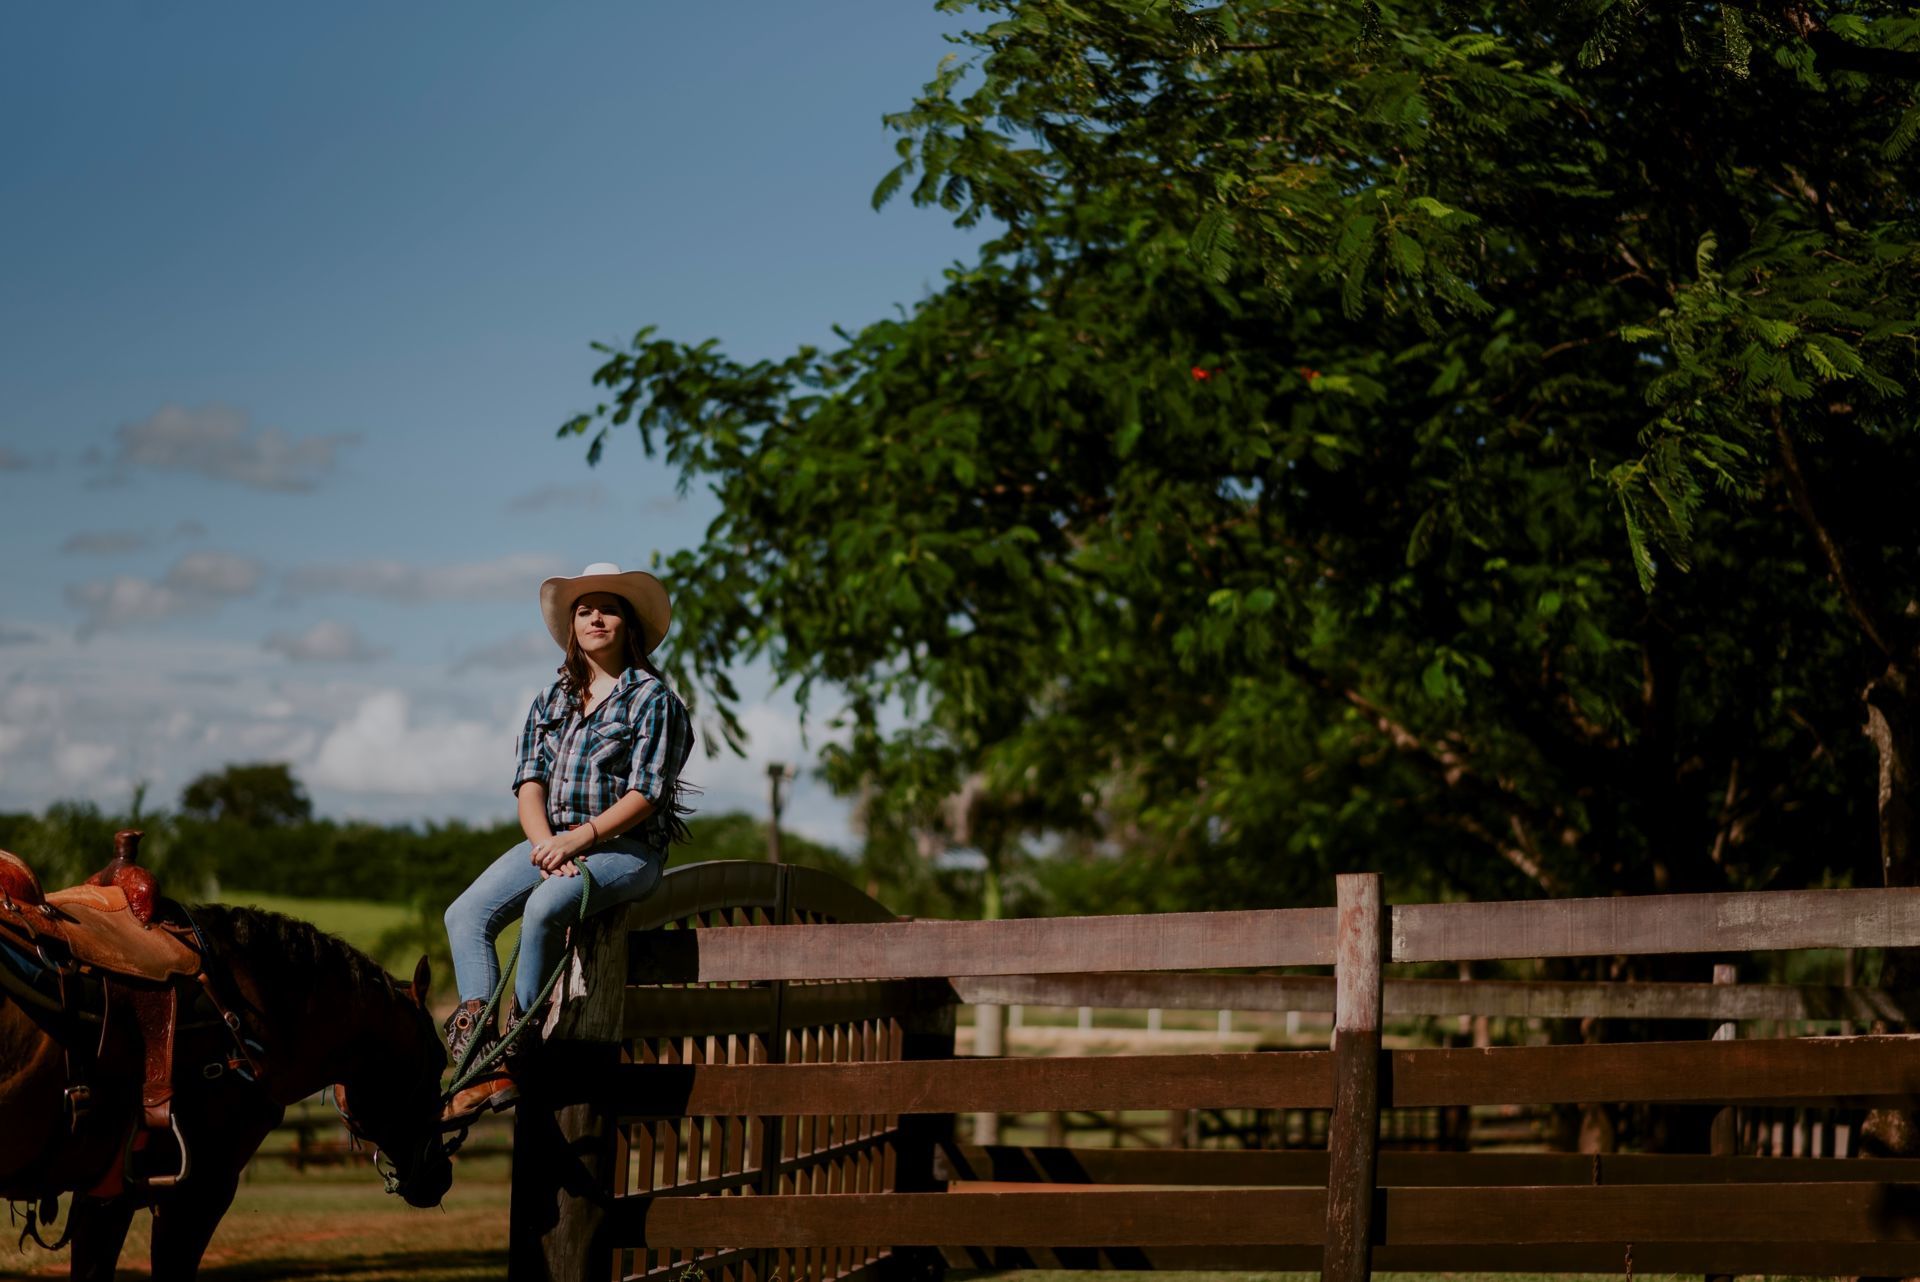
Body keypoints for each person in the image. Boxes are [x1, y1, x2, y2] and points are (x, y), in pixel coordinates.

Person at [440, 561, 693, 1122]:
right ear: (573, 626)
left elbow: (646, 794)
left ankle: (520, 1049)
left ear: (629, 625)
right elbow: (529, 782)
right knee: (465, 914)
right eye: (585, 610)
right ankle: (483, 1051)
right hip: (551, 841)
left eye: (608, 608)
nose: (595, 617)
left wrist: (577, 842)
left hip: (626, 850)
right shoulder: (551, 700)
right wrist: (543, 846)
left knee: (546, 906)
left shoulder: (654, 701)